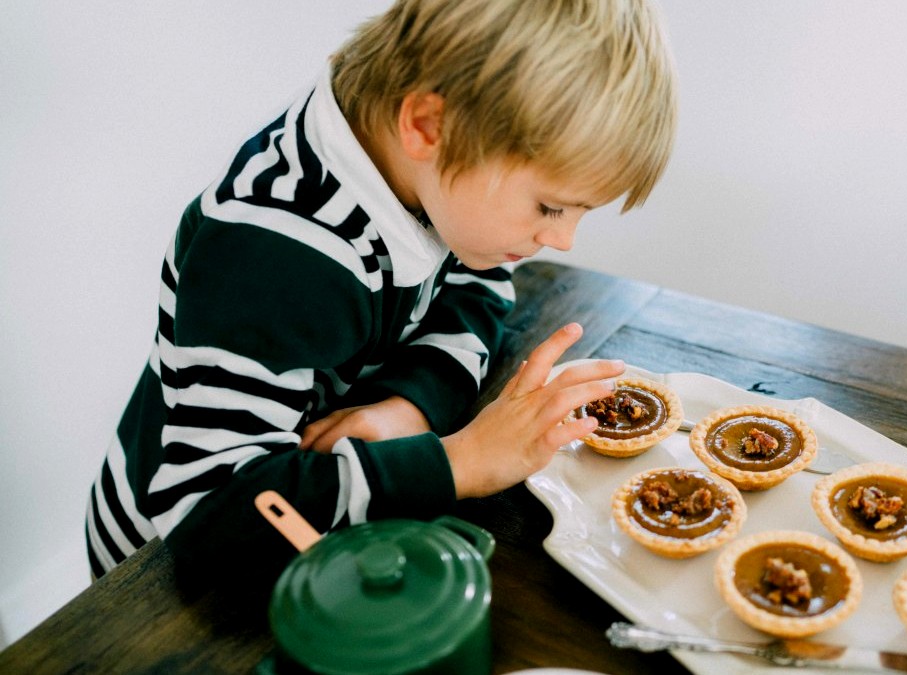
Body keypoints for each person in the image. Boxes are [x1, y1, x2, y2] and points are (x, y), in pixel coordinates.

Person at [85, 0, 676, 581]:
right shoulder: (276, 250)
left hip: (327, 491)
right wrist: (458, 462)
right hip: (165, 564)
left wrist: (412, 403)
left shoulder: (424, 174)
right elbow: (208, 515)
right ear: (427, 125)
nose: (564, 239)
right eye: (550, 206)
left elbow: (478, 278)